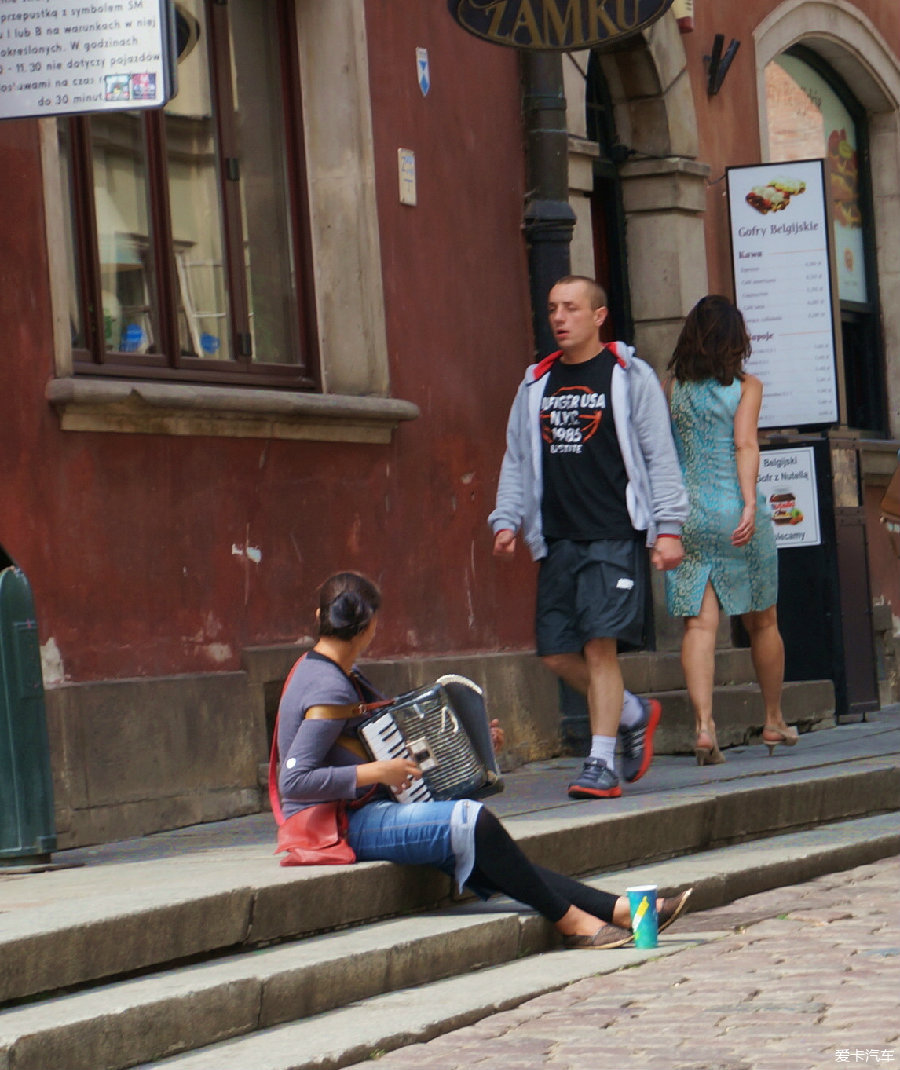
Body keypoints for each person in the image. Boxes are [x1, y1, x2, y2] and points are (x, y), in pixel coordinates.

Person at [276, 571, 693, 949]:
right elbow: (293, 782)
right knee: (473, 821)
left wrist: (472, 744)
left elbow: (372, 741)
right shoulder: (327, 686)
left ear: (320, 616)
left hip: (356, 809)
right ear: (370, 629)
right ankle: (573, 922)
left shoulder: (333, 673)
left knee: (497, 859)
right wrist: (374, 772)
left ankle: (617, 909)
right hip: (331, 827)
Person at [489, 276, 689, 800]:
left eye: (571, 308)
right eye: (553, 308)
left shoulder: (629, 376)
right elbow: (517, 459)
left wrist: (668, 528)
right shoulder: (535, 383)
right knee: (556, 652)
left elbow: (659, 456)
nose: (559, 318)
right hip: (556, 537)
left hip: (613, 534)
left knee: (601, 647)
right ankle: (631, 712)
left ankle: (598, 763)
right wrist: (507, 519)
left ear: (598, 316)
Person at [664, 295, 797, 763]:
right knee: (763, 620)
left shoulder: (674, 388)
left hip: (689, 513)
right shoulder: (747, 387)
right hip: (735, 509)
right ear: (736, 340)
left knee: (700, 625)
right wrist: (746, 502)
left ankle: (704, 727)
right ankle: (774, 719)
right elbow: (744, 444)